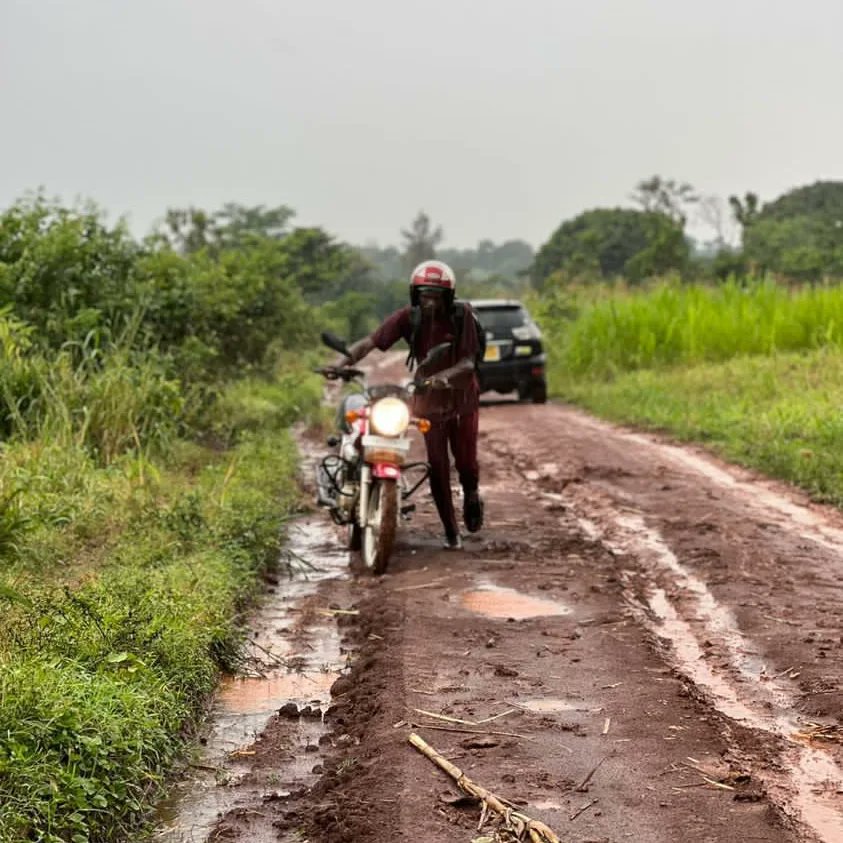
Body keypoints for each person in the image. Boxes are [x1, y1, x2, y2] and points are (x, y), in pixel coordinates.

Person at [335, 260, 484, 550]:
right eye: (425, 296)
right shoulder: (408, 317)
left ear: (448, 297)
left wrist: (442, 378)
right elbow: (371, 342)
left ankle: (471, 493)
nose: (430, 302)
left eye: (436, 296)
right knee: (437, 466)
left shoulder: (462, 315)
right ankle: (451, 531)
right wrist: (341, 363)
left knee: (466, 461)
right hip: (428, 400)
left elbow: (468, 362)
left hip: (462, 397)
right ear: (416, 295)